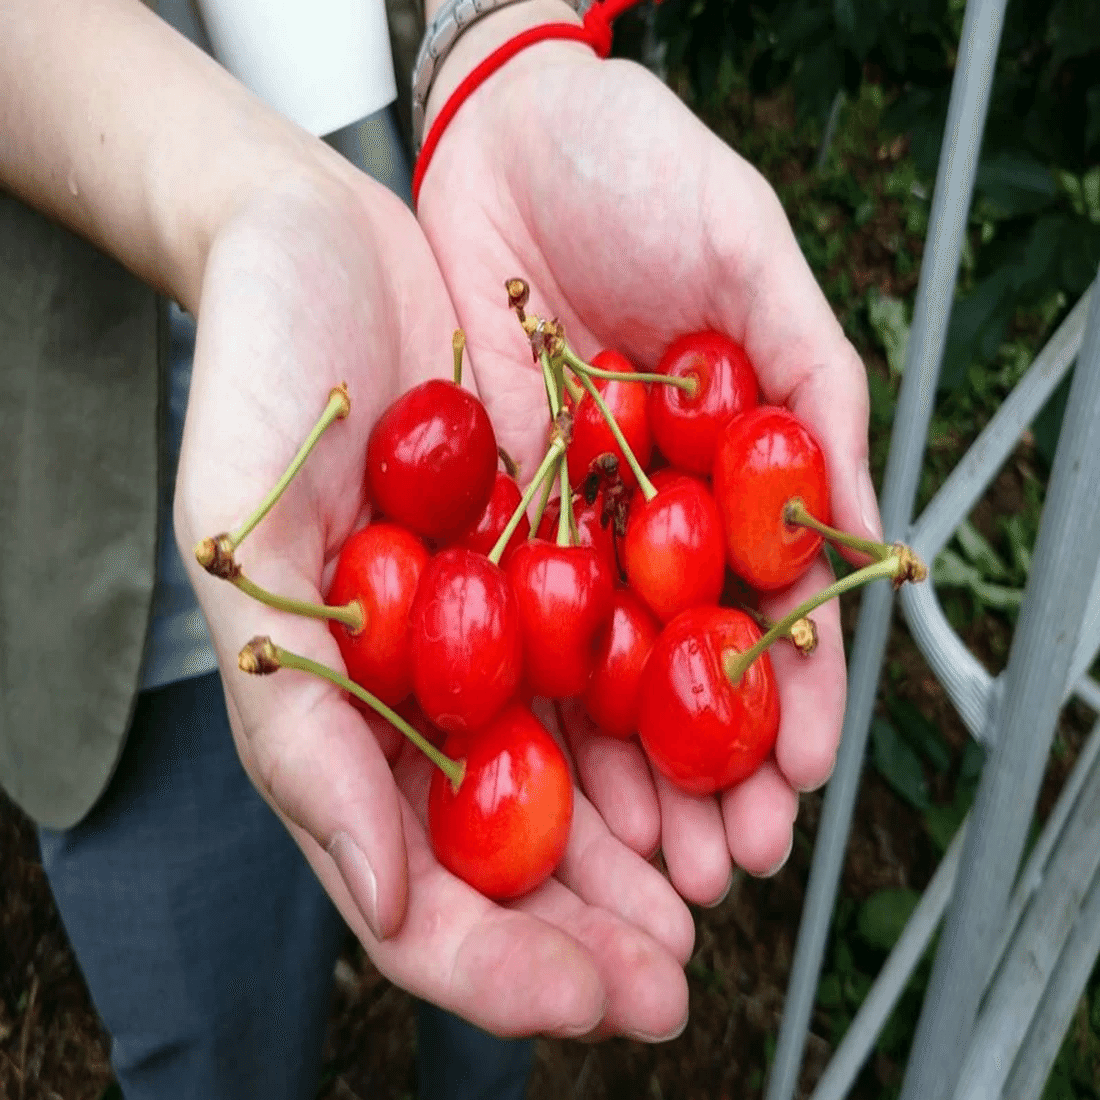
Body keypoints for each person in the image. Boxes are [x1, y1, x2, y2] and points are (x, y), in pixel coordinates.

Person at [0, 0, 882, 1096]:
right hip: (113, 541)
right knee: (216, 1048)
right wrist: (238, 200)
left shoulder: (538, 541)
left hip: (460, 267)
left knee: (502, 980)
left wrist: (493, 36)